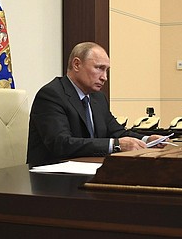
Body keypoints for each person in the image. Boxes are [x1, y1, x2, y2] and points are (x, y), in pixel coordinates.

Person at [28, 42, 166, 166]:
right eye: (99, 68)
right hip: (53, 176)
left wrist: (147, 140)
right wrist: (116, 145)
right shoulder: (51, 94)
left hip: (90, 169)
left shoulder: (98, 98)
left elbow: (117, 132)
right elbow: (61, 144)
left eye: (106, 70)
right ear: (77, 64)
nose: (104, 77)